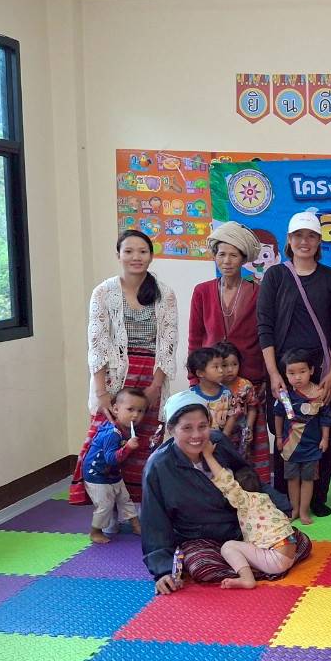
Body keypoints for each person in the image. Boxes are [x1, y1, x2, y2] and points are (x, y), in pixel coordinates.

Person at [141, 391, 309, 594]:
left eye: (202, 426)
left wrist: (280, 506)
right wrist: (163, 569)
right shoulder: (158, 466)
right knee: (201, 566)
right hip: (200, 536)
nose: (196, 435)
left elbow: (248, 477)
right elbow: (154, 521)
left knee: (298, 540)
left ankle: (254, 565)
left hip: (242, 527)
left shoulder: (218, 442)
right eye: (187, 428)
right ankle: (264, 566)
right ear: (171, 429)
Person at [70, 229, 178, 506]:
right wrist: (101, 392)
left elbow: (168, 341)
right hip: (114, 376)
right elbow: (97, 343)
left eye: (142, 251)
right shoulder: (104, 292)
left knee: (146, 439)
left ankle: (142, 504)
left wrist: (156, 385)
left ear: (151, 256)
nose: (135, 257)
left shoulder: (165, 293)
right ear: (118, 255)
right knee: (105, 438)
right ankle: (104, 506)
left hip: (150, 376)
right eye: (128, 251)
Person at [258, 208, 331, 516]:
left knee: (321, 427)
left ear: (319, 241)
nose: (304, 242)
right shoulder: (275, 276)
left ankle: (317, 499)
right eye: (298, 236)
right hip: (284, 369)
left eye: (310, 236)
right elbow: (265, 326)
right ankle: (286, 499)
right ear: (288, 240)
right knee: (285, 430)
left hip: (320, 368)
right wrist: (273, 373)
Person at [188, 221, 271, 491]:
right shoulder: (202, 291)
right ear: (214, 256)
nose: (227, 261)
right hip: (211, 384)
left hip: (249, 382)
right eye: (221, 254)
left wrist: (265, 377)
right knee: (213, 443)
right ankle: (215, 495)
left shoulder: (258, 292)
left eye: (233, 255)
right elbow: (195, 337)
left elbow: (265, 337)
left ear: (244, 259)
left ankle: (254, 495)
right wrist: (194, 380)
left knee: (249, 443)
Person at [199, 445, 304, 589]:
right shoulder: (265, 498)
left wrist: (208, 456)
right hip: (290, 554)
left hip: (275, 559)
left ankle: (247, 578)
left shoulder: (244, 500)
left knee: (228, 547)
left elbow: (226, 482)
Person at [273, 349, 331, 526]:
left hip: (312, 447)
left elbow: (326, 418)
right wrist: (278, 437)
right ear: (285, 374)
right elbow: (278, 415)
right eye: (291, 373)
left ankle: (305, 510)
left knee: (308, 479)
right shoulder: (285, 396)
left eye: (302, 371)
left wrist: (325, 438)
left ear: (311, 370)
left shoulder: (319, 393)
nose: (297, 377)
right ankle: (294, 509)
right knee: (292, 479)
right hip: (290, 446)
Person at [81, 388, 147, 544]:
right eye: (130, 409)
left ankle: (136, 525)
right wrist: (128, 447)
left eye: (140, 411)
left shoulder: (123, 430)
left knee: (125, 499)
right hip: (96, 474)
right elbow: (111, 459)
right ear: (116, 409)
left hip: (112, 474)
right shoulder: (112, 433)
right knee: (105, 505)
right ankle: (95, 531)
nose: (135, 415)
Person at [214, 341, 266, 484]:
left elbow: (253, 407)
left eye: (234, 364)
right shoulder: (214, 386)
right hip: (220, 434)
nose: (230, 369)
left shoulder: (245, 385)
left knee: (242, 462)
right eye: (225, 365)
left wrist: (249, 428)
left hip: (241, 433)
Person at [187, 347, 230, 428]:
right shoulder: (192, 397)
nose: (221, 370)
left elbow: (232, 418)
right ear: (200, 373)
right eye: (216, 367)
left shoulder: (227, 393)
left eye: (222, 365)